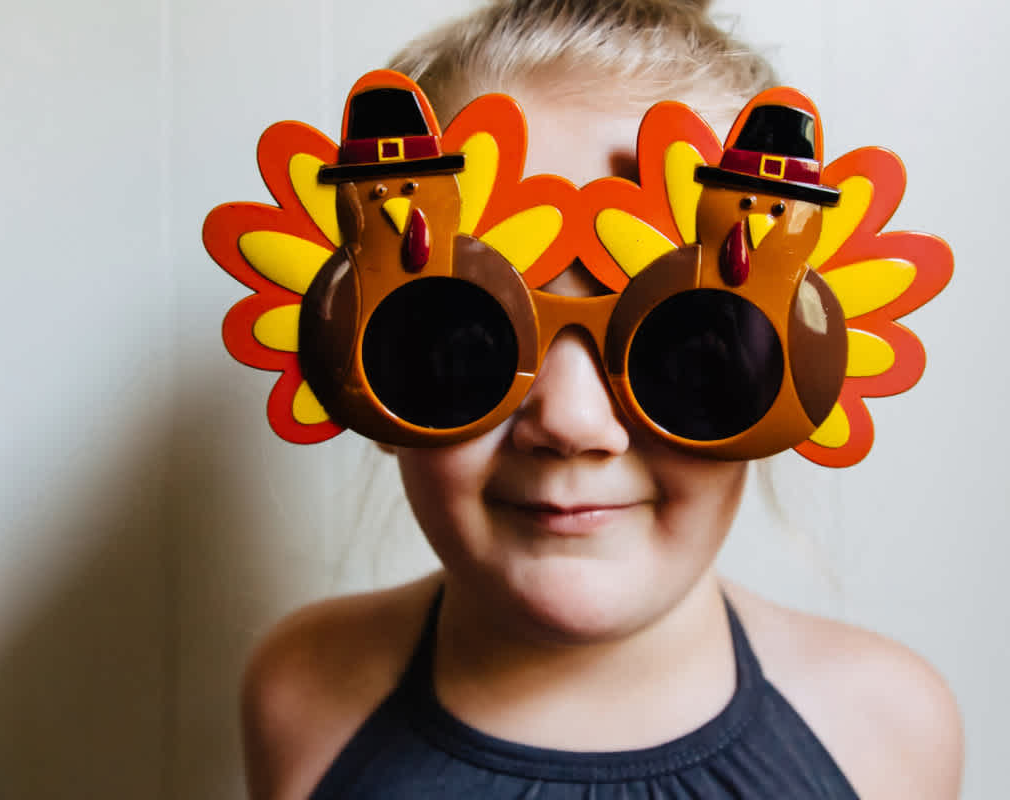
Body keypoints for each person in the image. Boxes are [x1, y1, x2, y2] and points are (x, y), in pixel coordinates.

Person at [238, 1, 963, 797]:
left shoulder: (885, 730)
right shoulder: (302, 692)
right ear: (350, 366)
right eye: (458, 337)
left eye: (691, 345)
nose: (572, 422)